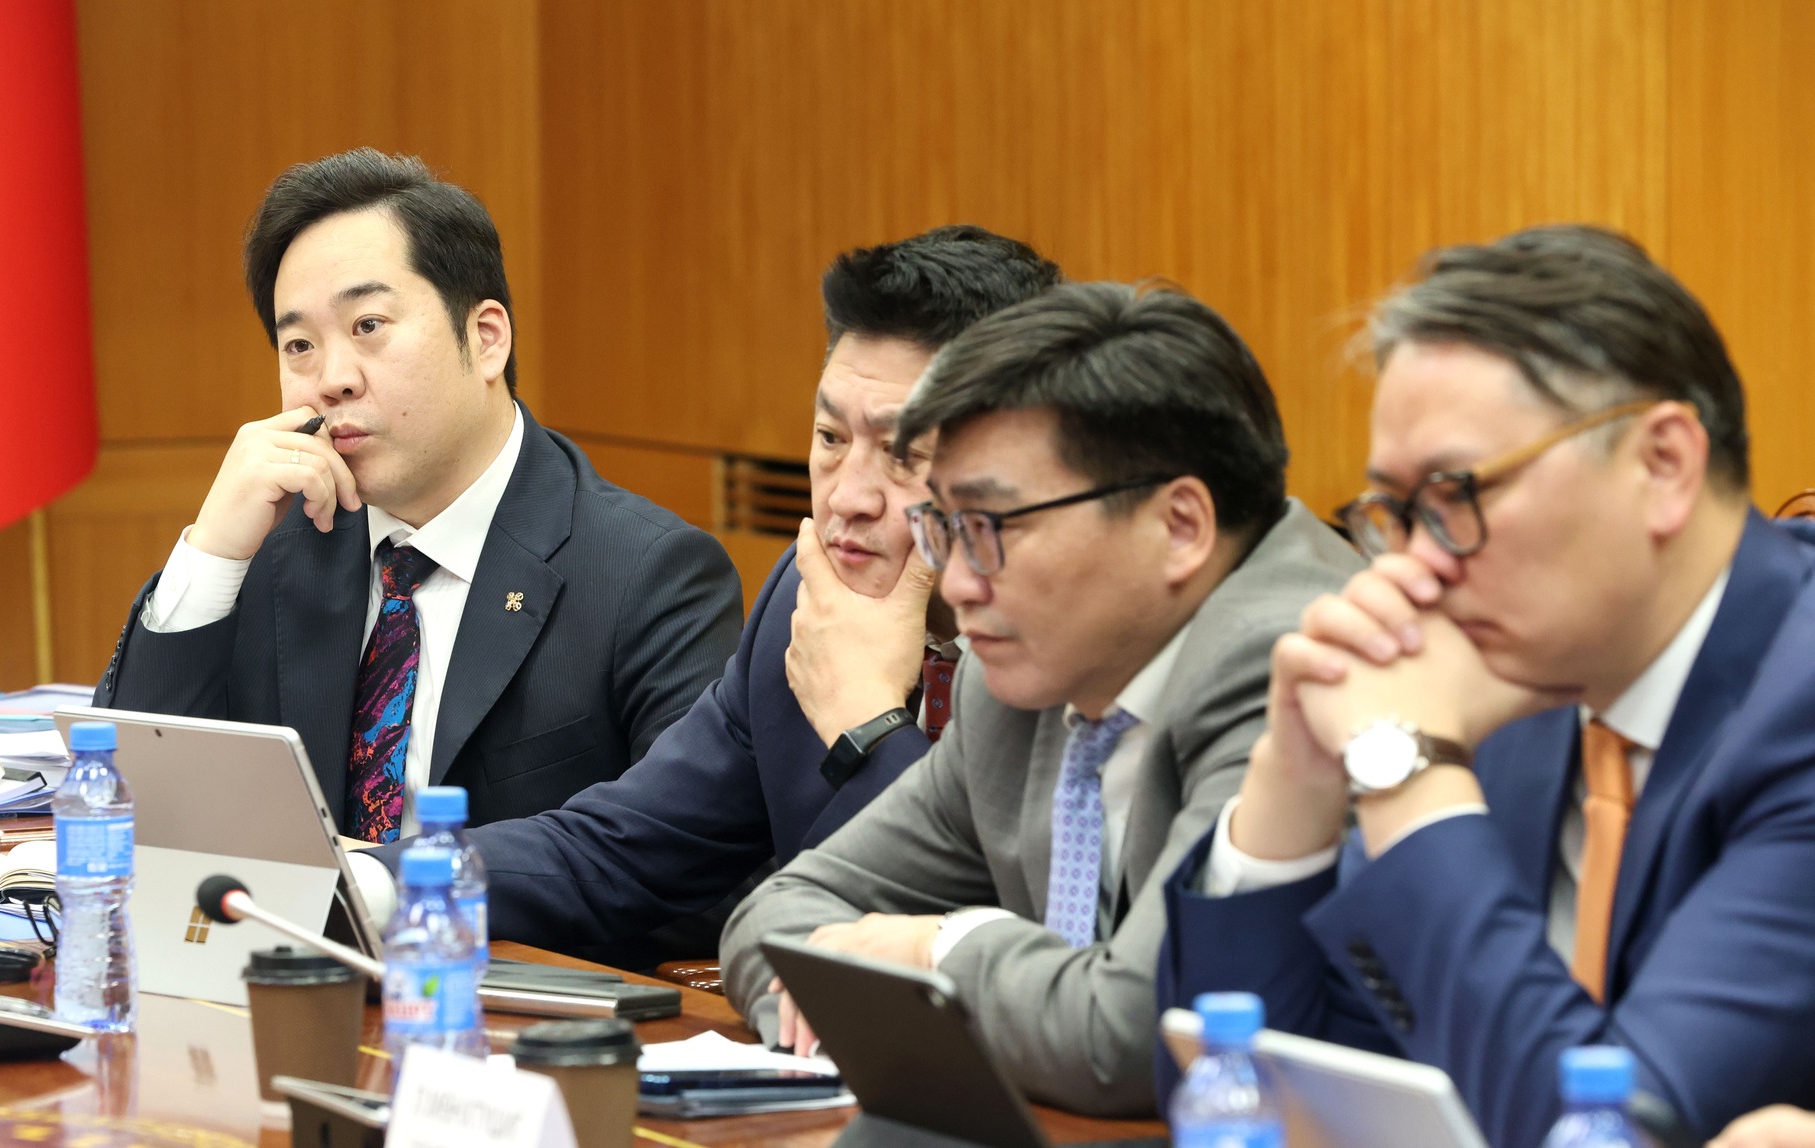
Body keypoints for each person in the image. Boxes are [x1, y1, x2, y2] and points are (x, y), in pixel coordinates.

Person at [1155, 226, 1815, 1147]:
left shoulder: (1797, 706)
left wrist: (1407, 768)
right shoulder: (1515, 679)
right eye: (1395, 511)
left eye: (1455, 495)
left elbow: (1607, 1128)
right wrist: (1292, 782)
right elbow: (1239, 1101)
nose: (1414, 565)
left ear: (1663, 464)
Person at [720, 280, 1365, 1117]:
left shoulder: (1288, 662)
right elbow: (774, 919)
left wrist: (939, 949)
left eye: (990, 530)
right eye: (944, 530)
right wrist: (853, 996)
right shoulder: (1020, 671)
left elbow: (1130, 1039)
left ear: (1179, 526)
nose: (957, 584)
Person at [371, 225, 1058, 967]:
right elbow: (624, 847)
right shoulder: (809, 597)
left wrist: (867, 726)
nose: (846, 499)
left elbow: (1000, 953)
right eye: (830, 438)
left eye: (902, 453)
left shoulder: (1074, 647)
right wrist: (370, 886)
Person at [94, 148, 743, 838]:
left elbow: (677, 846)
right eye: (299, 346)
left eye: (368, 326)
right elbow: (130, 804)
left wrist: (387, 880)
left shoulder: (649, 576)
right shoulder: (275, 549)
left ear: (485, 339)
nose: (333, 379)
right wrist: (213, 554)